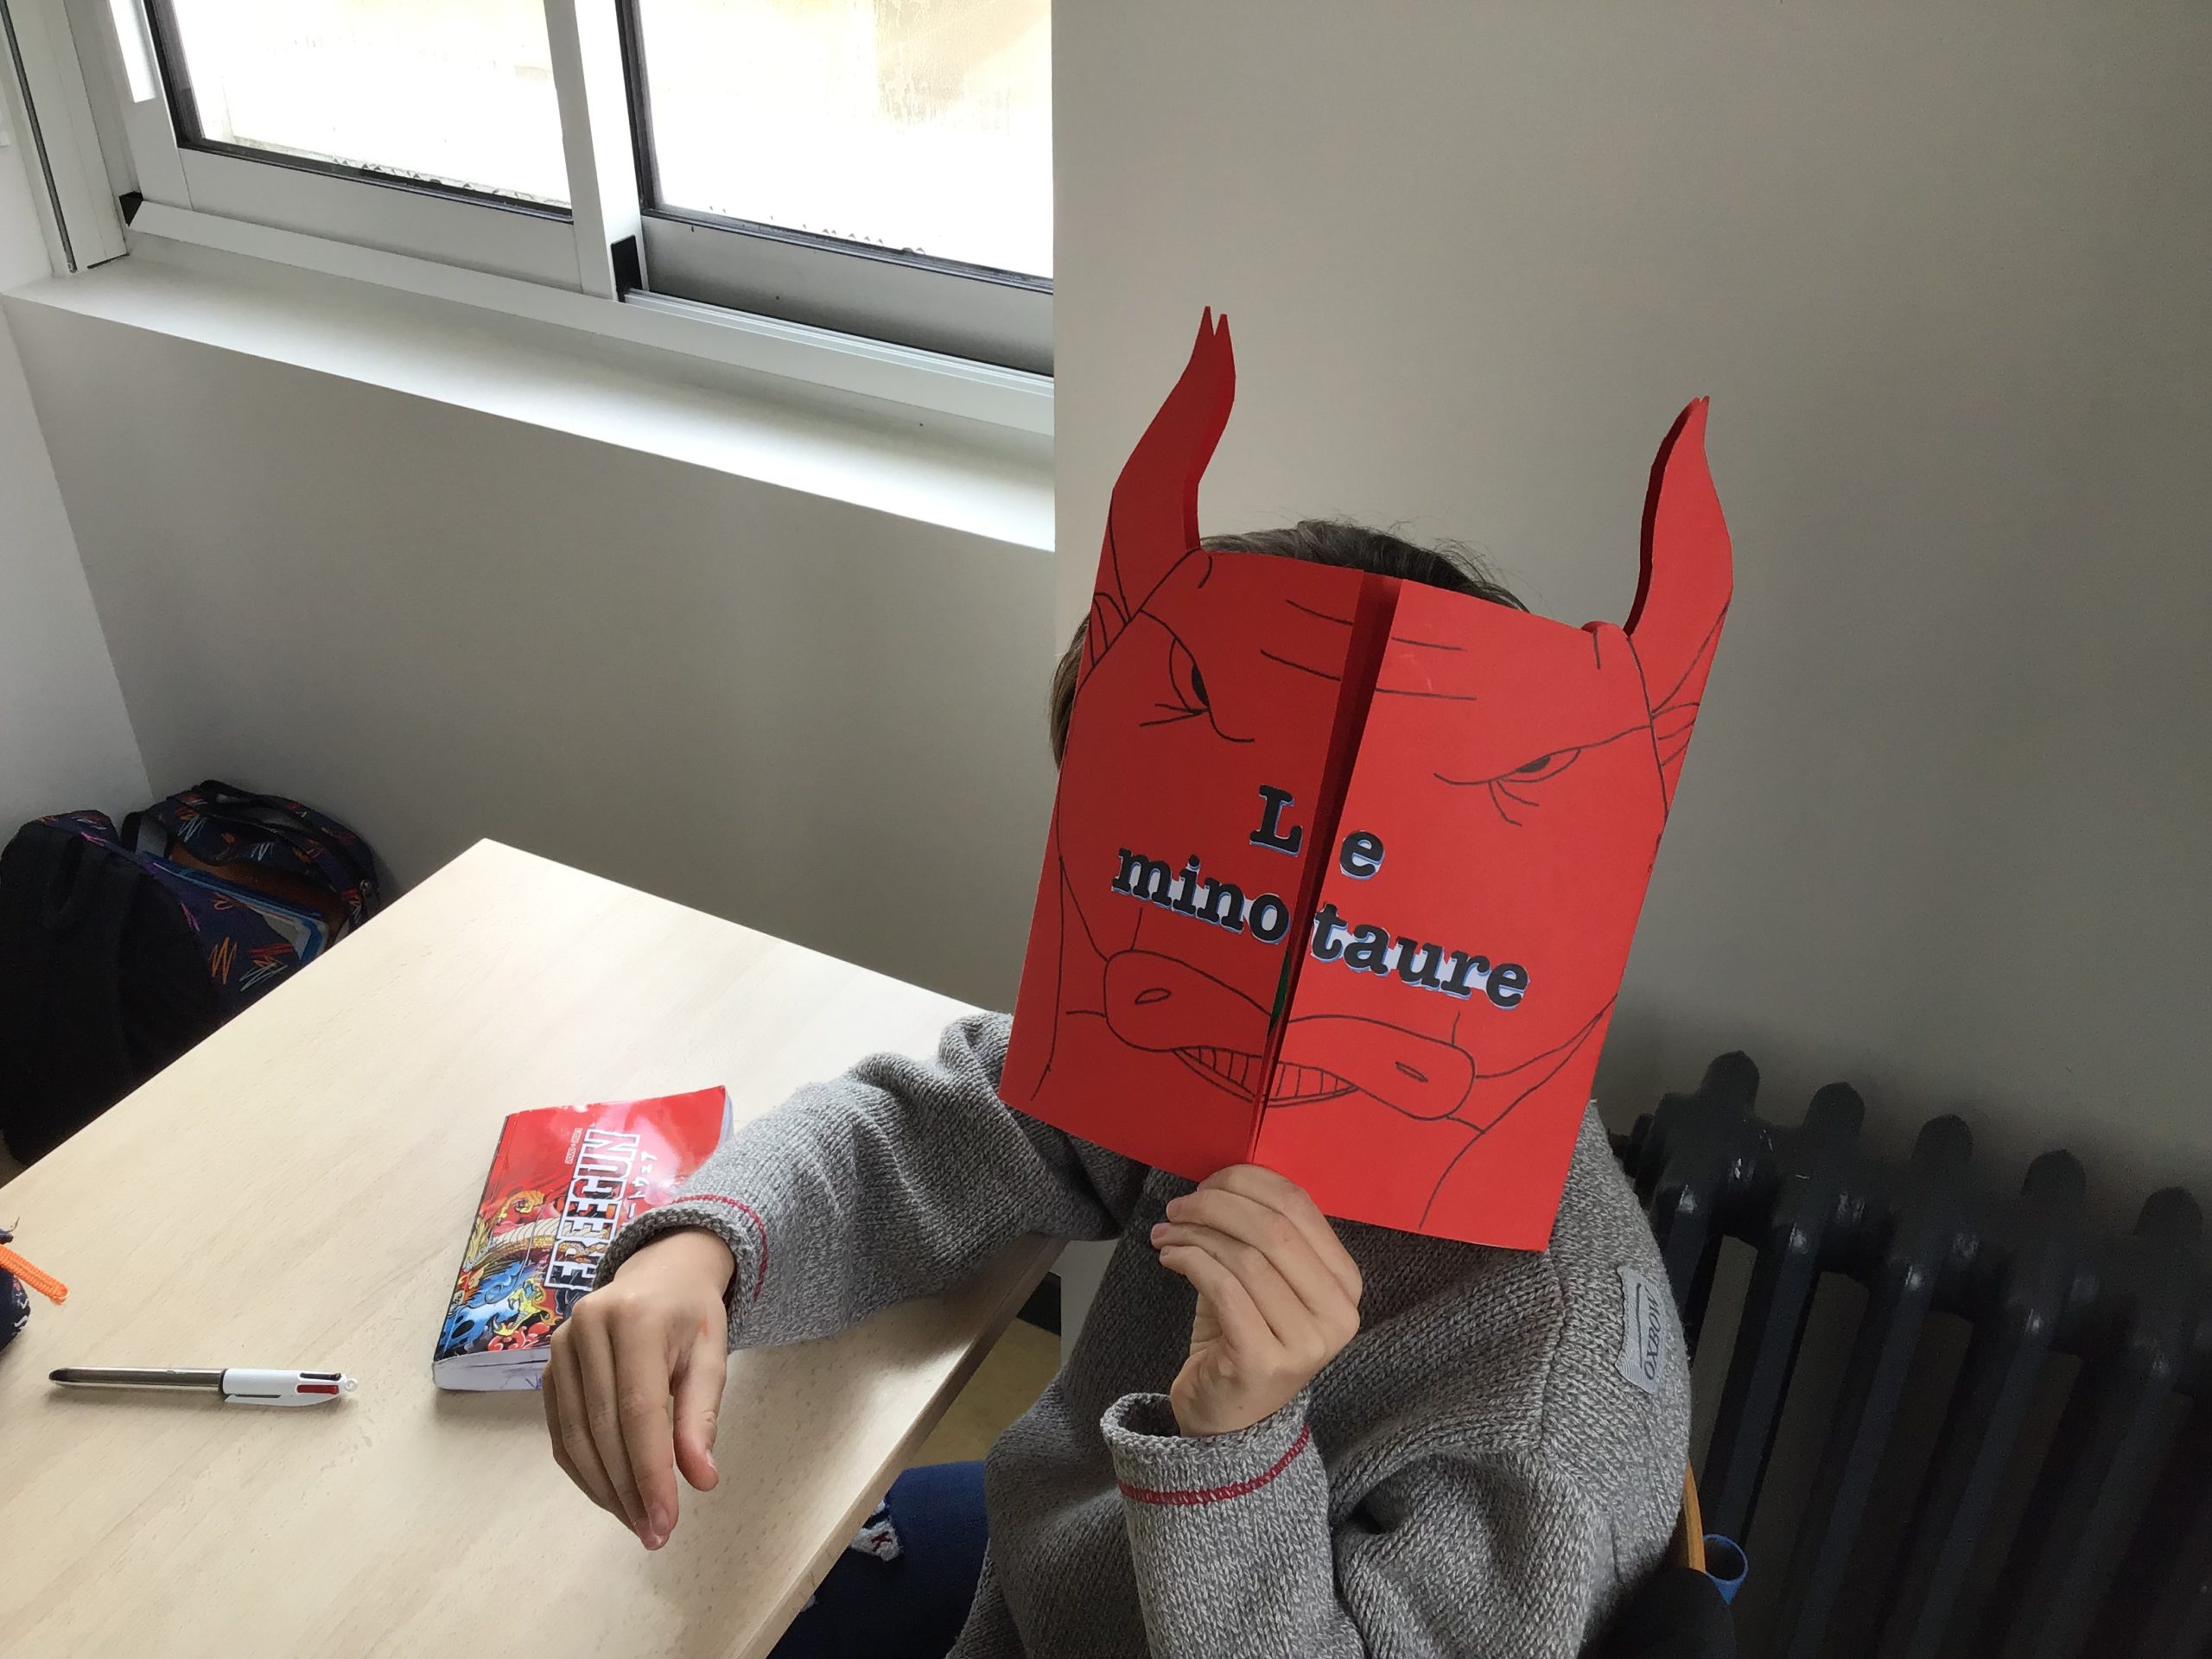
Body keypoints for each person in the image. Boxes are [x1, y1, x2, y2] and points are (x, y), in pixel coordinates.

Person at [543, 524, 1694, 1659]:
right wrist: (704, 1248)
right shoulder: (1230, 1050)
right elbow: (935, 1122)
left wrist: (1239, 1447)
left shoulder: (1551, 1417)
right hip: (1054, 1567)